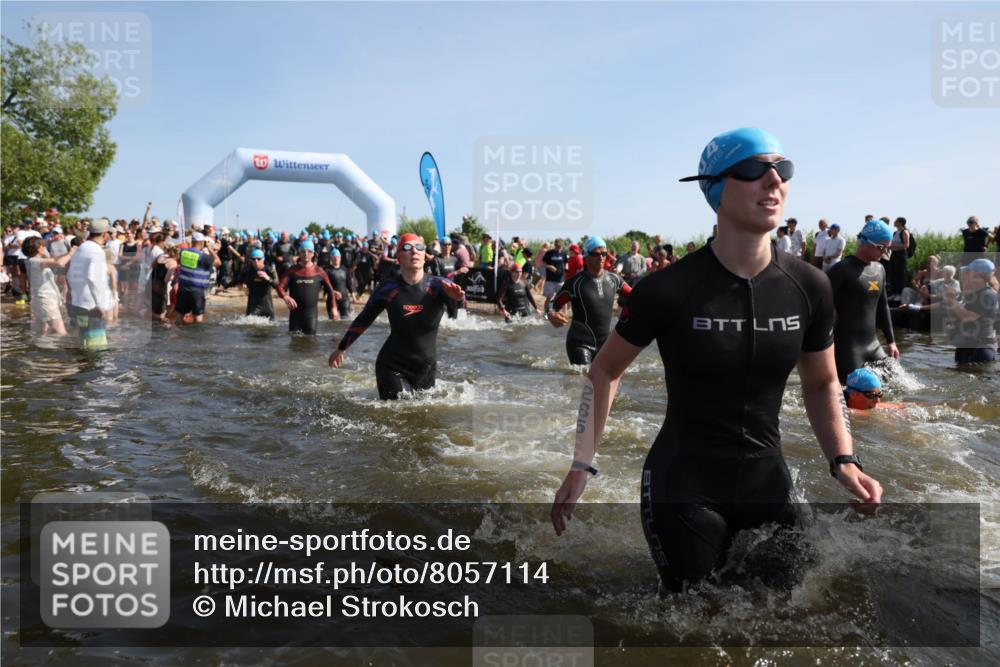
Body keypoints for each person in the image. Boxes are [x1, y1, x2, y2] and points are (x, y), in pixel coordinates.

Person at [551, 127, 882, 593]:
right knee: (692, 621)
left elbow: (823, 383)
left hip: (767, 478)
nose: (773, 181)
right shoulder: (668, 289)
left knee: (789, 613)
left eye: (781, 169)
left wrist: (844, 460)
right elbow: (604, 370)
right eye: (753, 170)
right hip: (684, 482)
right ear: (715, 188)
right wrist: (581, 464)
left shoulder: (810, 287)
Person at [329, 233, 465, 400]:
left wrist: (457, 299)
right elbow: (364, 320)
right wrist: (341, 348)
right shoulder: (387, 289)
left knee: (421, 421)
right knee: (397, 414)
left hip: (426, 368)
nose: (414, 251)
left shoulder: (439, 286)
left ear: (424, 256)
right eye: (407, 248)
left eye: (419, 248)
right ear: (398, 257)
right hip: (392, 366)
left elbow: (457, 307)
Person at [825, 219, 900, 384]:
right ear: (866, 241)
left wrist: (891, 341)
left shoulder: (879, 269)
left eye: (887, 248)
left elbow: (883, 306)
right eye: (881, 247)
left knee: (896, 384)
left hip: (873, 345)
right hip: (848, 348)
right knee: (853, 396)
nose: (884, 252)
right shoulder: (841, 270)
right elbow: (820, 306)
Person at [546, 236, 631, 366]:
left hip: (605, 346)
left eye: (604, 254)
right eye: (596, 254)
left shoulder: (614, 280)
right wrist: (551, 315)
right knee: (584, 380)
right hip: (580, 343)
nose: (601, 257)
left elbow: (636, 295)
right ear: (586, 256)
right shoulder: (575, 283)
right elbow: (553, 304)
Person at [66, 218, 115, 350]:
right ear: (105, 234)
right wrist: (101, 305)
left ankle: (84, 368)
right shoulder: (96, 251)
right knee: (97, 348)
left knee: (84, 341)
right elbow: (94, 279)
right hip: (92, 307)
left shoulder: (81, 248)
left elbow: (70, 275)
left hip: (79, 305)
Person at [276, 240, 338, 334]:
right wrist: (285, 296)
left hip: (311, 316)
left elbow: (330, 290)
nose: (306, 254)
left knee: (311, 343)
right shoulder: (292, 270)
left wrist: (333, 308)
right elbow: (280, 287)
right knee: (294, 343)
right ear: (299, 253)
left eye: (309, 251)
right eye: (303, 251)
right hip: (295, 316)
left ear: (313, 254)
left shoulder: (319, 271)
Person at [943, 258, 998, 364]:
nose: (965, 275)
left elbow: (969, 317)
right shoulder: (972, 295)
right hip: (966, 345)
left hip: (980, 349)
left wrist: (952, 300)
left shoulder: (987, 295)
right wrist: (949, 302)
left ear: (978, 275)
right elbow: (957, 316)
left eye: (968, 272)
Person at [22, 236, 75, 336]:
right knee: (61, 332)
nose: (45, 248)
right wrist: (71, 253)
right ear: (38, 248)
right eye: (43, 246)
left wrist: (67, 254)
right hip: (45, 300)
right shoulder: (36, 261)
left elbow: (54, 259)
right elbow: (59, 262)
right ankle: (64, 350)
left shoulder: (33, 261)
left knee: (42, 331)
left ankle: (42, 350)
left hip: (40, 300)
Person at [174, 232, 220, 324]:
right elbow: (218, 262)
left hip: (183, 288)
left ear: (192, 241)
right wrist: (210, 248)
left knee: (179, 316)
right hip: (197, 291)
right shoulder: (203, 257)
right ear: (202, 243)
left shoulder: (183, 252)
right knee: (198, 318)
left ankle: (179, 335)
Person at [238, 248, 279, 319]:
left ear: (263, 259)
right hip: (253, 306)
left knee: (271, 327)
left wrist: (268, 278)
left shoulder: (269, 270)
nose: (256, 261)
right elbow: (238, 281)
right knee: (249, 326)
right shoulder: (248, 270)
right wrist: (243, 285)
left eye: (259, 259)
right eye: (253, 259)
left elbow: (277, 286)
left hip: (267, 306)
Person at [150, 245, 178, 322]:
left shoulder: (160, 256)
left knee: (152, 308)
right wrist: (172, 277)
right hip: (160, 288)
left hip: (151, 283)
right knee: (161, 313)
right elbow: (166, 279)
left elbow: (152, 266)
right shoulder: (173, 262)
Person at [324, 248, 352, 319]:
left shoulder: (344, 269)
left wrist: (353, 295)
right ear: (331, 258)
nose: (336, 259)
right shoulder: (327, 270)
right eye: (334, 258)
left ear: (340, 258)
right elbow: (325, 285)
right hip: (332, 299)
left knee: (345, 320)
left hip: (344, 299)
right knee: (332, 321)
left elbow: (349, 283)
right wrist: (333, 292)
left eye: (338, 257)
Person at [886, 217, 910, 297]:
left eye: (896, 221)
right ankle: (894, 293)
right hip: (894, 255)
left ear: (900, 222)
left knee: (901, 275)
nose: (894, 222)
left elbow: (906, 245)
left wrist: (894, 246)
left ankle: (900, 294)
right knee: (893, 274)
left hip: (901, 255)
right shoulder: (895, 233)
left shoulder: (904, 232)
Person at [542, 238, 569, 305]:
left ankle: (564, 314)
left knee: (562, 298)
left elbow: (566, 262)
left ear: (562, 246)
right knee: (549, 298)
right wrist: (549, 266)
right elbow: (543, 263)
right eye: (557, 247)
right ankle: (546, 313)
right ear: (555, 245)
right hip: (550, 280)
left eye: (560, 247)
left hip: (560, 280)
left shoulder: (564, 253)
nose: (558, 249)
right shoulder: (549, 253)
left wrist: (566, 268)